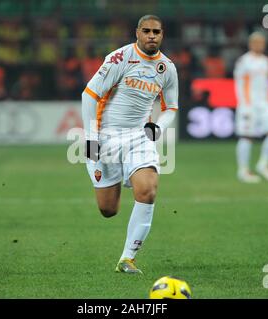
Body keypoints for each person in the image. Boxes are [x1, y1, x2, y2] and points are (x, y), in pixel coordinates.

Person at [81, 15, 178, 274]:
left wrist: (158, 129)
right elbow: (89, 96)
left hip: (139, 137)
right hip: (106, 137)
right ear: (137, 32)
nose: (151, 36)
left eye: (156, 31)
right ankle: (121, 178)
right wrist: (91, 140)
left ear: (162, 34)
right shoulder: (119, 59)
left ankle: (127, 258)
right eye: (146, 31)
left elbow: (171, 108)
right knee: (108, 209)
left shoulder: (167, 68)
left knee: (148, 190)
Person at [234, 32, 268, 183]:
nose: (260, 45)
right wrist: (244, 104)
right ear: (251, 44)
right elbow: (239, 84)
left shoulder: (266, 61)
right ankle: (243, 170)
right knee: (247, 136)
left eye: (262, 42)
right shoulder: (244, 61)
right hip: (248, 104)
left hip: (265, 104)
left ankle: (263, 165)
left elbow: (265, 84)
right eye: (256, 42)